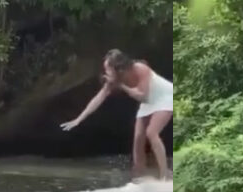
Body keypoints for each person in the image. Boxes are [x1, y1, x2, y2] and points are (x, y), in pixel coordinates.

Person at [61, 49, 173, 179]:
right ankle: (139, 175)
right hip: (149, 102)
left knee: (151, 133)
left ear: (118, 68)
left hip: (164, 96)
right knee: (138, 138)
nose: (106, 73)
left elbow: (142, 96)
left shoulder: (139, 68)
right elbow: (98, 98)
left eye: (108, 69)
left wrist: (121, 86)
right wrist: (79, 119)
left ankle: (165, 175)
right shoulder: (114, 80)